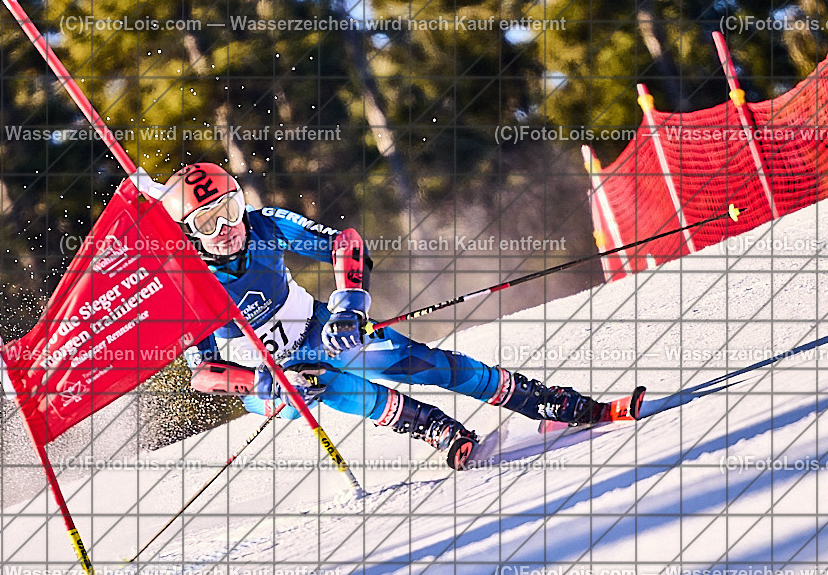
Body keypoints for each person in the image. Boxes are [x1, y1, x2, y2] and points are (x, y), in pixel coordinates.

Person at [154, 162, 616, 470]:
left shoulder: (264, 225)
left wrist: (348, 307)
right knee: (327, 384)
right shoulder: (187, 287)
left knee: (410, 360)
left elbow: (346, 243)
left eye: (230, 209)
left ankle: (541, 400)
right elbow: (204, 374)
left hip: (316, 328)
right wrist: (262, 384)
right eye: (208, 223)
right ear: (186, 236)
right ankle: (433, 426)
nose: (229, 228)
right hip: (266, 377)